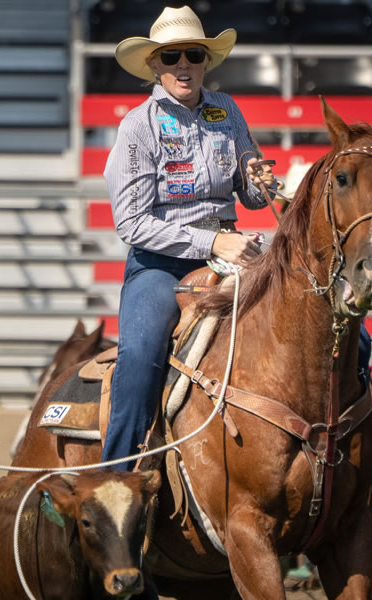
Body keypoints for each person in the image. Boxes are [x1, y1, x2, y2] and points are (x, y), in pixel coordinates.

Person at [101, 5, 276, 471]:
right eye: (172, 55)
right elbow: (131, 224)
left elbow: (253, 196)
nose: (184, 64)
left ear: (206, 62)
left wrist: (260, 184)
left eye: (193, 55)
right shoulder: (137, 127)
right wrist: (213, 244)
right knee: (139, 356)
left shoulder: (228, 111)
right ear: (155, 65)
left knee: (310, 313)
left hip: (232, 253)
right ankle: (114, 481)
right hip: (160, 266)